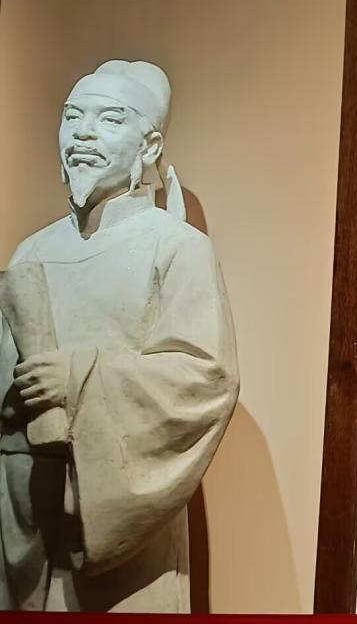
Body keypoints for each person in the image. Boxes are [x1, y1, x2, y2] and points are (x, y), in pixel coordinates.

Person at [0, 60, 239, 611]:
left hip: (120, 531)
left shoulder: (176, 247)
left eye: (109, 119)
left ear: (149, 146)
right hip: (25, 520)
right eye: (72, 117)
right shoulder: (32, 251)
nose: (83, 133)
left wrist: (78, 379)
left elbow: (205, 378)